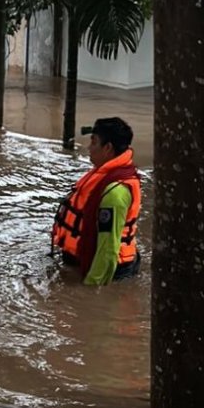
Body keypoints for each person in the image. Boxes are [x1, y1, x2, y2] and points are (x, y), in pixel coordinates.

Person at [51, 117, 141, 285]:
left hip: (111, 271)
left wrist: (91, 289)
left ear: (107, 148)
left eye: (93, 143)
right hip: (81, 260)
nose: (89, 148)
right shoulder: (103, 175)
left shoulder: (116, 193)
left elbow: (108, 249)